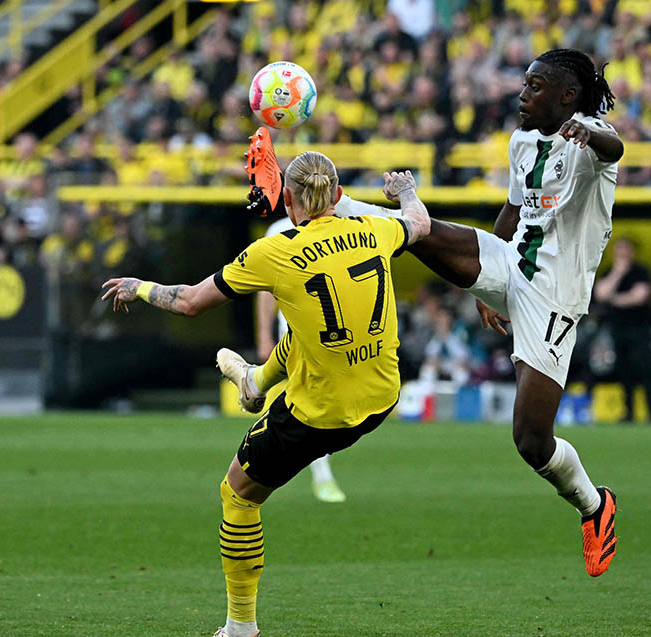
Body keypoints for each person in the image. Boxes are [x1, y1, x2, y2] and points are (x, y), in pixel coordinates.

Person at [248, 48, 621, 578]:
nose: (522, 94)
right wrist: (484, 284)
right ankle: (317, 193)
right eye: (524, 84)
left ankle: (593, 505)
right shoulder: (521, 141)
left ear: (567, 96)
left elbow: (616, 146)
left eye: (535, 87)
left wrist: (591, 135)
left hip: (554, 298)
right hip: (510, 263)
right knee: (415, 232)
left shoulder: (587, 136)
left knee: (531, 440)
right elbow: (514, 210)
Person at [101, 152, 430, 637]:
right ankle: (256, 381)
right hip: (382, 394)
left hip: (319, 414)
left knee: (238, 492)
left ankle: (240, 632)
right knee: (308, 328)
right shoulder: (375, 228)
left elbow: (189, 301)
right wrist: (404, 189)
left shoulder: (274, 251)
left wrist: (138, 286)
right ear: (338, 193)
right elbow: (420, 223)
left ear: (290, 197)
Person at [254, 214, 348, 504]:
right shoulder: (279, 230)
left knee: (332, 401)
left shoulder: (346, 224)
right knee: (309, 398)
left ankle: (283, 459)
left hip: (340, 332)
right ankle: (321, 474)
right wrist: (264, 336)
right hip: (298, 329)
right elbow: (266, 289)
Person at [593, 238, 651, 422]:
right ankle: (629, 411)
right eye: (619, 250)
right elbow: (601, 294)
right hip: (617, 330)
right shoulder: (608, 272)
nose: (622, 254)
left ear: (632, 252)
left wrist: (614, 299)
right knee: (623, 371)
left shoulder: (641, 272)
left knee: (644, 369)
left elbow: (640, 297)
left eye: (625, 250)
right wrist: (618, 274)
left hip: (640, 329)